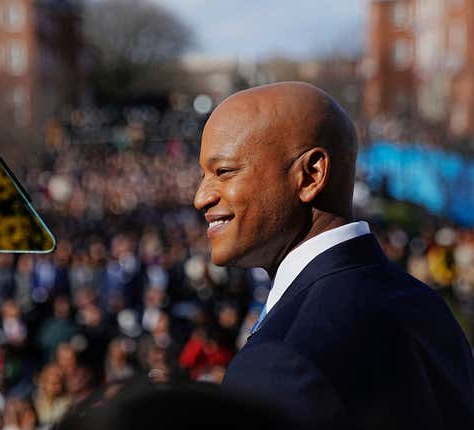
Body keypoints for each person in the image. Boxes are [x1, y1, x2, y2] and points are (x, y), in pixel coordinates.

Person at [193, 81, 474, 428]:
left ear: (311, 175)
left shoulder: (279, 362)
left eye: (223, 172)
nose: (201, 196)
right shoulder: (425, 305)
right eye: (204, 175)